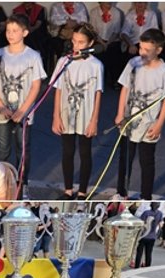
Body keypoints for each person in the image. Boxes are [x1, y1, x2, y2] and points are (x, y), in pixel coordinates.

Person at [0, 14, 46, 199]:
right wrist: (0, 106)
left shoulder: (33, 56)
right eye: (8, 30)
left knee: (22, 149)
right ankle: (0, 185)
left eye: (15, 31)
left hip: (24, 112)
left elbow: (36, 85)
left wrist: (23, 110)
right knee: (2, 148)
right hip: (2, 111)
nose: (10, 34)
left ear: (25, 32)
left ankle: (23, 185)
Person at [115, 29, 165, 200]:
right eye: (141, 48)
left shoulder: (164, 71)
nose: (143, 53)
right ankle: (121, 193)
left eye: (148, 50)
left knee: (146, 161)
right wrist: (120, 113)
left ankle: (146, 196)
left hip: (149, 123)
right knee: (125, 159)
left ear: (159, 50)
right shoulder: (133, 63)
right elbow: (125, 88)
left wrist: (159, 124)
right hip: (129, 119)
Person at [51, 22, 103, 200]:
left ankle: (82, 191)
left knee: (85, 152)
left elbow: (98, 94)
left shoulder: (96, 65)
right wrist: (56, 116)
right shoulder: (64, 61)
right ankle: (68, 189)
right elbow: (58, 89)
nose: (76, 46)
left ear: (90, 43)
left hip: (86, 114)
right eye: (74, 41)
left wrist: (94, 120)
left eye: (81, 42)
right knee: (67, 151)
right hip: (67, 113)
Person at [135, 202, 163, 269]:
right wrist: (158, 233)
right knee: (149, 252)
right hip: (152, 236)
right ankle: (148, 266)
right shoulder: (160, 213)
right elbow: (161, 224)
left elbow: (141, 223)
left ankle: (137, 265)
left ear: (150, 205)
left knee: (139, 252)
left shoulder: (146, 212)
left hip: (143, 235)